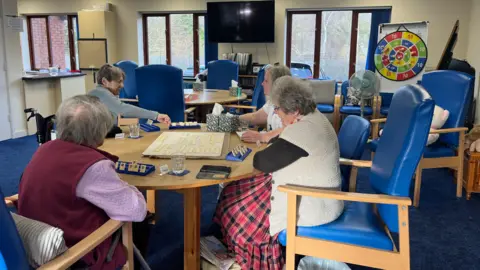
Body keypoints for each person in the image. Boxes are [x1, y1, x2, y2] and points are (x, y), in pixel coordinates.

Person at [214, 76, 344, 270]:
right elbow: (282, 149)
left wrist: (274, 136)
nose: (275, 113)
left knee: (236, 208)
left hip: (313, 203)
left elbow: (262, 162)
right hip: (315, 191)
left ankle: (251, 260)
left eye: (278, 109)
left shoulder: (304, 130)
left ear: (296, 110)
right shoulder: (313, 116)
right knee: (234, 191)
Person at [17, 95, 147, 270]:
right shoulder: (92, 167)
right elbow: (136, 210)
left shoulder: (45, 148)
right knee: (140, 224)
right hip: (74, 255)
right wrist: (128, 185)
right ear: (100, 131)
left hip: (32, 243)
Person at [89, 64, 171, 126]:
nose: (122, 85)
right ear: (104, 82)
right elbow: (123, 109)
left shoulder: (98, 93)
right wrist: (156, 115)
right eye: (119, 81)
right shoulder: (102, 93)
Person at [239, 64, 291, 143]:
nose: (262, 83)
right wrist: (233, 120)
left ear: (277, 84)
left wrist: (262, 137)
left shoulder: (292, 106)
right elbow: (255, 117)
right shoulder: (273, 101)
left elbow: (290, 131)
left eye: (266, 81)